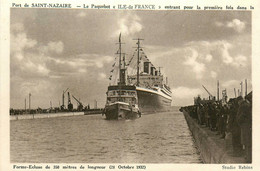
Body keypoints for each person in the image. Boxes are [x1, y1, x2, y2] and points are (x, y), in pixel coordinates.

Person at [237, 92, 252, 163]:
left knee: (246, 142)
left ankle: (248, 158)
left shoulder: (243, 106)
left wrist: (239, 121)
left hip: (245, 126)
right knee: (246, 142)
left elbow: (241, 116)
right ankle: (247, 157)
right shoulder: (247, 105)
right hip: (246, 126)